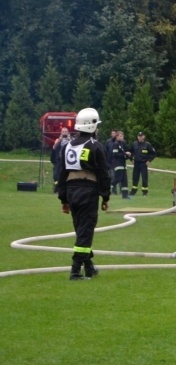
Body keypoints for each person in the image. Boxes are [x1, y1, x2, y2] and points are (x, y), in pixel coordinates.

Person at [56, 107, 110, 280]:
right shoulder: (96, 147)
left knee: (81, 230)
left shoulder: (67, 146)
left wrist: (63, 199)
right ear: (91, 126)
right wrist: (105, 196)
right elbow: (103, 173)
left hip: (71, 192)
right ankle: (75, 270)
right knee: (86, 231)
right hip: (88, 191)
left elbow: (62, 174)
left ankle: (89, 267)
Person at [129, 131, 156, 196]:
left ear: (143, 137)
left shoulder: (147, 144)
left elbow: (153, 153)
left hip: (143, 163)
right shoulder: (134, 144)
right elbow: (129, 152)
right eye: (139, 136)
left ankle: (145, 191)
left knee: (144, 178)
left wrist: (149, 161)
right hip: (136, 163)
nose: (140, 138)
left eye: (141, 136)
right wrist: (131, 159)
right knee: (135, 177)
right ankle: (133, 191)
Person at [109, 130, 131, 199]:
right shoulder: (115, 144)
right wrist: (125, 154)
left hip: (123, 164)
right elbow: (115, 154)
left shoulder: (123, 143)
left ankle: (125, 195)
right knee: (118, 178)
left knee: (124, 180)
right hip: (117, 164)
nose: (122, 137)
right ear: (117, 136)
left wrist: (128, 155)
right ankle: (108, 186)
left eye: (122, 136)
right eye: (120, 136)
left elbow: (125, 152)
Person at [51, 127, 72, 192]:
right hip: (59, 160)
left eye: (66, 132)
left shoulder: (71, 140)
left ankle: (66, 187)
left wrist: (69, 140)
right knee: (56, 174)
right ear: (61, 133)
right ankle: (56, 187)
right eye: (63, 132)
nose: (64, 133)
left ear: (68, 133)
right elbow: (54, 148)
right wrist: (59, 140)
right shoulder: (58, 140)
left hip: (67, 160)